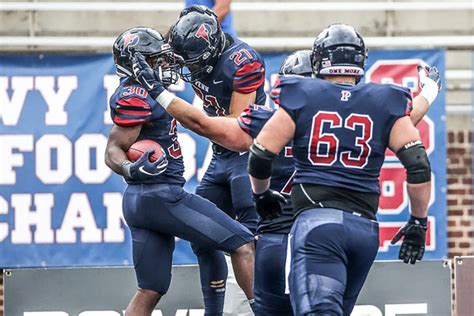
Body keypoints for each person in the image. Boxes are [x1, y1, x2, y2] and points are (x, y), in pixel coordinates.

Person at [130, 41, 441, 315]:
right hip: (345, 231)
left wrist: (159, 92)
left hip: (284, 241)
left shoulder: (273, 118)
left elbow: (203, 124)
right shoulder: (370, 116)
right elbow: (406, 122)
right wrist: (430, 90)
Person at [247, 24, 438, 315]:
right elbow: (419, 166)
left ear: (319, 60)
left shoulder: (303, 95)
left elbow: (260, 154)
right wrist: (418, 222)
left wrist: (261, 195)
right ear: (361, 60)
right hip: (365, 231)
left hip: (317, 225)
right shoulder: (383, 102)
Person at [104, 27, 255, 316]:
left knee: (150, 289)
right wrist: (131, 168)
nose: (163, 65)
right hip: (161, 196)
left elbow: (113, 148)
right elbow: (114, 149)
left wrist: (128, 169)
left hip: (138, 201)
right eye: (154, 60)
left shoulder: (141, 91)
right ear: (135, 63)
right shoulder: (136, 93)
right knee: (243, 244)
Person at [168, 5, 265, 315]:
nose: (190, 70)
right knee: (202, 235)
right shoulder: (187, 45)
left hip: (245, 154)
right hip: (221, 155)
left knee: (251, 236)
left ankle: (261, 309)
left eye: (194, 63)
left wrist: (194, 119)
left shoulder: (243, 61)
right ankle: (214, 311)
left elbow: (237, 129)